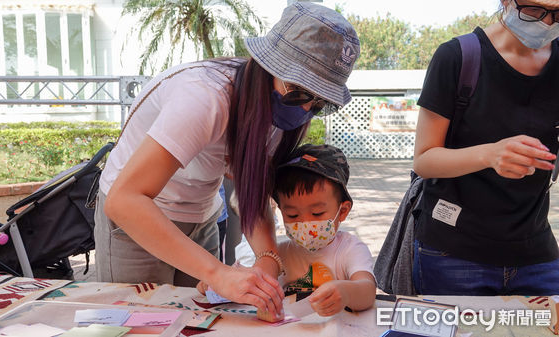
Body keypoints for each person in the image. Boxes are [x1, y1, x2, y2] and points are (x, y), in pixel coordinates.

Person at [94, 1, 360, 319]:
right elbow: (125, 200)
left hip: (201, 217)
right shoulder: (205, 97)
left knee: (201, 320)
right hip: (137, 221)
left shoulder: (280, 115)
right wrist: (219, 274)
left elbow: (253, 190)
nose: (305, 109)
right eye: (299, 91)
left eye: (319, 102)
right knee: (139, 322)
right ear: (268, 65)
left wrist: (266, 261)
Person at [413, 0, 559, 295]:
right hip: (453, 253)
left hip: (536, 252)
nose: (546, 23)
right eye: (534, 10)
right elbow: (424, 159)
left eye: (558, 13)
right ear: (507, 2)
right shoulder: (457, 56)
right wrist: (490, 154)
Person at [198, 144, 376, 317]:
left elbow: (367, 291)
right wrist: (216, 284)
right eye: (292, 215)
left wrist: (346, 293)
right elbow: (248, 287)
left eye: (317, 213)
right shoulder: (279, 255)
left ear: (343, 211)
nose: (305, 222)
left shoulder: (350, 249)